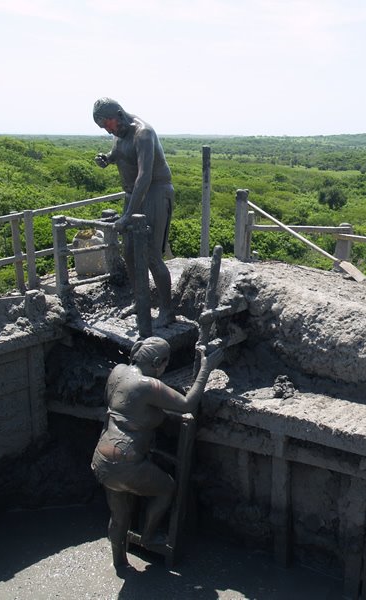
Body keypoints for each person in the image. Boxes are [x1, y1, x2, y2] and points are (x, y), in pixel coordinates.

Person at [90, 336, 223, 571]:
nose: (164, 370)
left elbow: (115, 406)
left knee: (119, 515)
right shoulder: (148, 385)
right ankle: (149, 536)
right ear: (157, 362)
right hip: (126, 462)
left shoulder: (118, 371)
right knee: (167, 488)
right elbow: (187, 404)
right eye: (164, 365)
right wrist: (205, 369)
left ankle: (119, 563)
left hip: (102, 457)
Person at [92, 98, 176, 327]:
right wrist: (107, 159)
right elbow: (118, 154)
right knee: (129, 252)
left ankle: (167, 312)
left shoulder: (143, 134)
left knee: (150, 254)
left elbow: (144, 176)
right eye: (103, 128)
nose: (108, 130)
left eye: (108, 125)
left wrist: (128, 214)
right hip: (133, 196)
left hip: (155, 193)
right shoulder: (119, 134)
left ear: (119, 115)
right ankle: (141, 302)